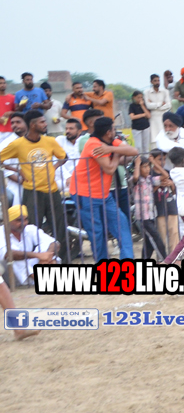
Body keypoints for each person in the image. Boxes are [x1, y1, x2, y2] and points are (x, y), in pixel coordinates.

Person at [2, 110, 70, 261]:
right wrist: (16, 169)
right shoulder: (18, 144)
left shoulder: (50, 141)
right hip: (32, 192)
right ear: (33, 125)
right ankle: (35, 262)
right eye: (42, 122)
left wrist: (53, 167)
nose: (45, 124)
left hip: (52, 191)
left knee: (59, 227)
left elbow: (64, 157)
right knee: (32, 229)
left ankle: (62, 261)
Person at [69, 116, 136, 259]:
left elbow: (134, 151)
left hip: (103, 194)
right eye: (113, 129)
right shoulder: (93, 144)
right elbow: (110, 169)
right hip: (85, 194)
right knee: (97, 233)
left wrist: (111, 148)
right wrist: (117, 153)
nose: (115, 131)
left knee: (122, 225)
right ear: (108, 132)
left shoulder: (110, 141)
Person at [1, 205, 59, 285]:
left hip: (28, 269)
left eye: (25, 219)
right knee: (13, 257)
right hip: (9, 274)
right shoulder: (1, 232)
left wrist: (47, 256)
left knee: (46, 246)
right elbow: (8, 254)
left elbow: (55, 243)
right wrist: (38, 255)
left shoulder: (30, 228)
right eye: (19, 220)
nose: (24, 223)